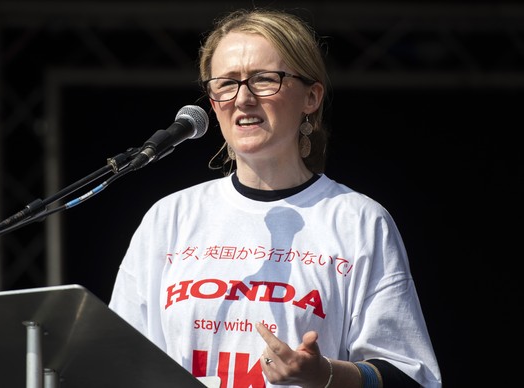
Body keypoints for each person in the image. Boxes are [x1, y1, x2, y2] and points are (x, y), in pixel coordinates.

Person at [109, 7, 442, 388]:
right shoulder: (169, 218)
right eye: (226, 83)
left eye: (265, 80)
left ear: (311, 97)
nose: (243, 98)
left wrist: (326, 374)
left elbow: (411, 376)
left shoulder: (359, 221)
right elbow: (119, 361)